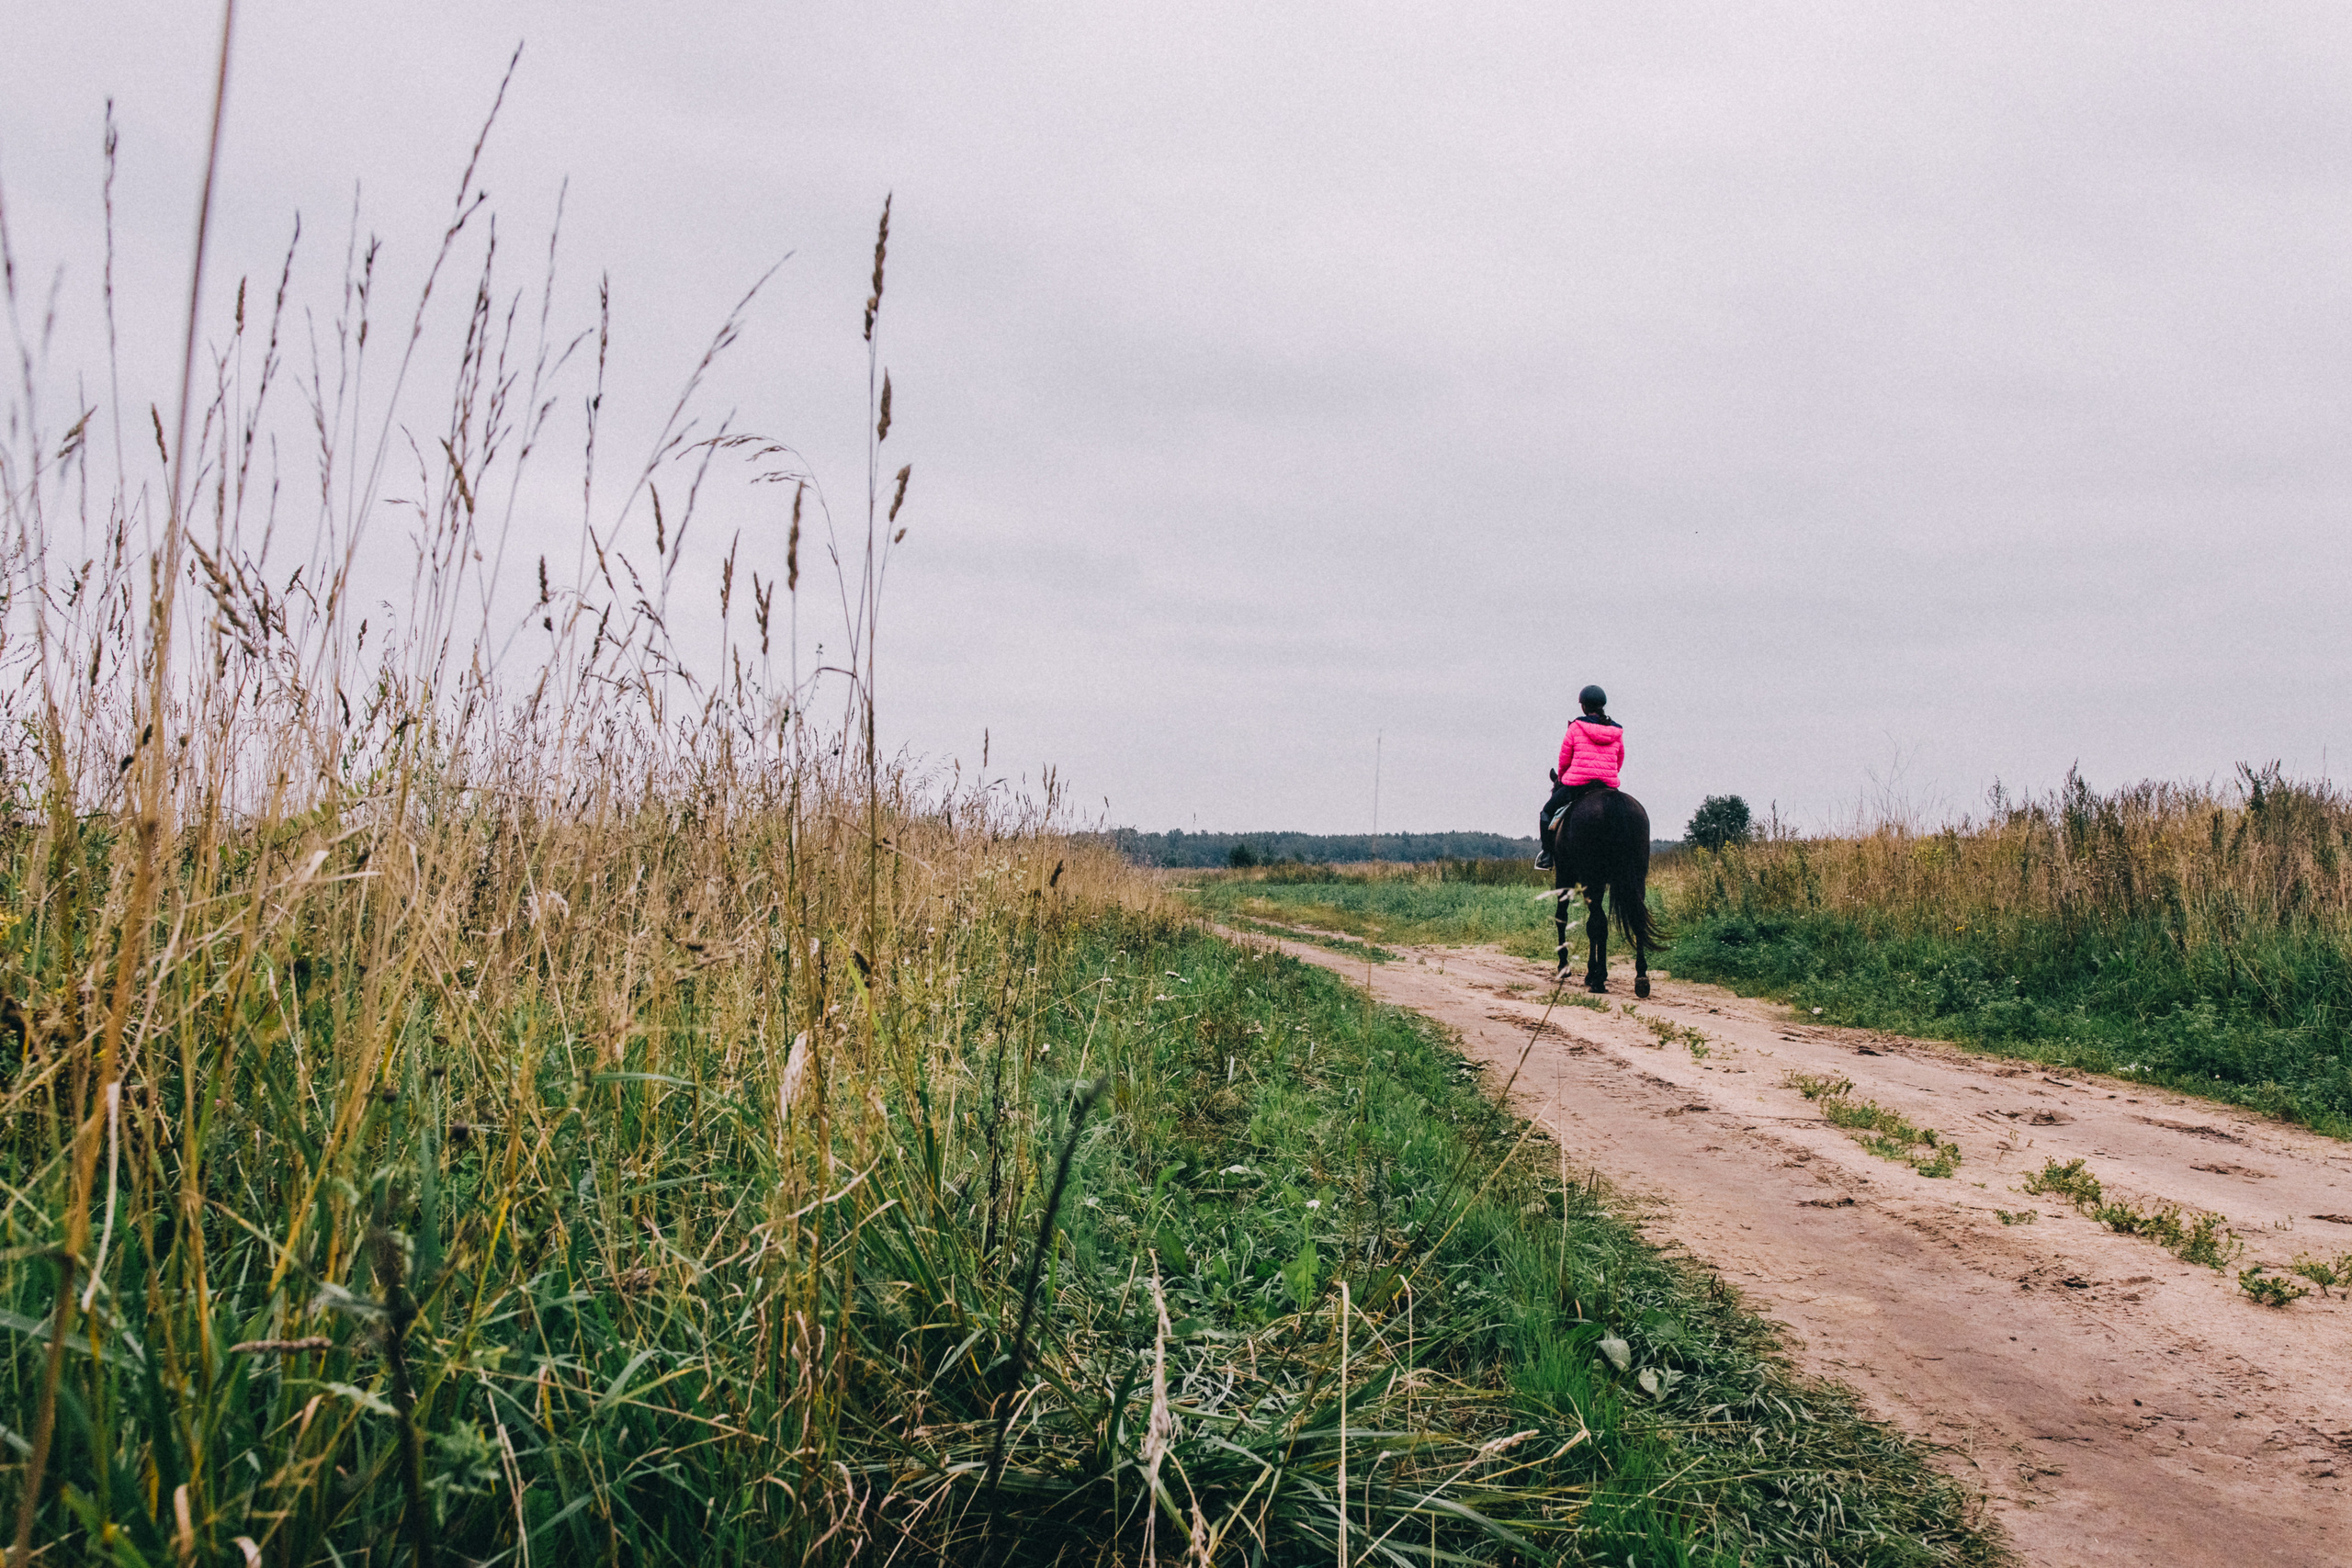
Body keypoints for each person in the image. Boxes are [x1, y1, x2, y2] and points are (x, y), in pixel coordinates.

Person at [1535, 685, 1622, 870]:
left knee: (1546, 812)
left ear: (1583, 707)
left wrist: (1562, 778)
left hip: (1578, 784)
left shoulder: (1575, 727)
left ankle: (1547, 855)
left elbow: (1564, 759)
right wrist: (1607, 774)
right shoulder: (1616, 731)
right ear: (1602, 706)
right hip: (1608, 785)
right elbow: (1619, 759)